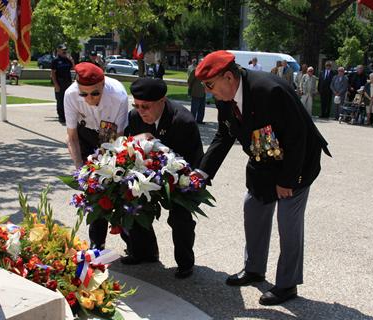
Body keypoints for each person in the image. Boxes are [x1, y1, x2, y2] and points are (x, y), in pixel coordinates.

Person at [194, 50, 330, 305]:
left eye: (210, 85)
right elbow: (225, 135)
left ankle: (287, 284)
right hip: (263, 158)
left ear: (228, 77)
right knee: (253, 208)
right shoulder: (226, 98)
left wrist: (287, 181)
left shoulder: (269, 90)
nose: (209, 91)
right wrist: (202, 171)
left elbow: (297, 136)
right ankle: (254, 268)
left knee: (288, 222)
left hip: (296, 163)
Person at [121, 78, 204, 279]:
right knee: (131, 204)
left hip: (181, 174)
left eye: (146, 107)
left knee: (179, 216)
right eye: (137, 106)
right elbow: (127, 147)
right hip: (147, 171)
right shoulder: (134, 117)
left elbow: (191, 161)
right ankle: (144, 252)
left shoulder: (182, 121)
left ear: (162, 101)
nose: (141, 111)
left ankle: (185, 262)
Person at [64, 62, 128, 250]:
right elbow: (72, 137)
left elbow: (117, 140)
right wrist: (80, 172)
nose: (89, 99)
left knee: (116, 188)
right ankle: (96, 243)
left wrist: (107, 169)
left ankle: (133, 243)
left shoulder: (118, 95)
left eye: (95, 93)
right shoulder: (70, 95)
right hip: (86, 135)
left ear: (103, 84)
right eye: (83, 94)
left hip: (112, 136)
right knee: (94, 192)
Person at [51, 44, 75, 124]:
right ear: (58, 51)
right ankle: (61, 117)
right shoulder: (55, 61)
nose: (65, 51)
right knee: (60, 100)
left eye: (65, 49)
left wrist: (71, 60)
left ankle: (67, 116)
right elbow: (53, 74)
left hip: (68, 82)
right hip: (60, 82)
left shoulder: (67, 60)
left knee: (68, 100)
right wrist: (56, 85)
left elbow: (73, 68)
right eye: (63, 50)